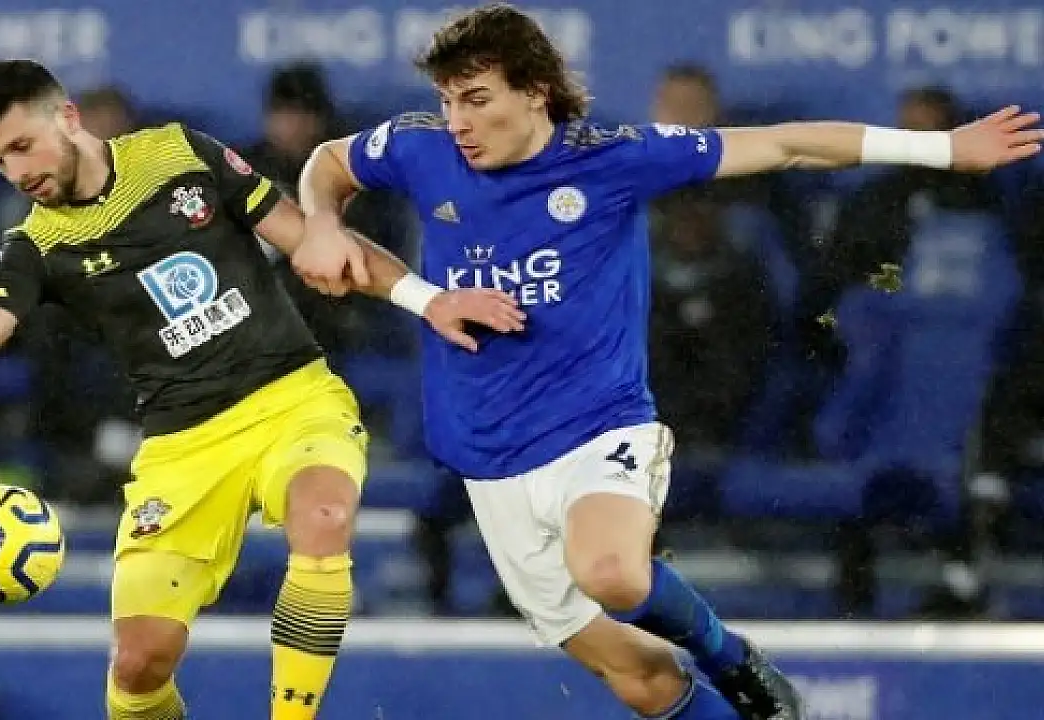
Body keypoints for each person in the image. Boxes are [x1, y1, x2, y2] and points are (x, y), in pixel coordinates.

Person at [292, 4, 1042, 720]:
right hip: (488, 464)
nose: (457, 120)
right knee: (643, 682)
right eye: (447, 100)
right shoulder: (421, 149)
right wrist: (323, 220)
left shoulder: (614, 159)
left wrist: (943, 150)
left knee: (612, 572)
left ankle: (732, 658)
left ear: (536, 91)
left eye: (477, 99)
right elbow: (328, 163)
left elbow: (786, 144)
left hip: (596, 430)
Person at [0, 59, 521, 720]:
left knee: (323, 518)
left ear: (66, 117)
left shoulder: (179, 154)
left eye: (21, 146)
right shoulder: (36, 247)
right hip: (182, 450)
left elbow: (315, 241)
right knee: (139, 665)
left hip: (292, 400)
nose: (18, 172)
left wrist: (430, 300)